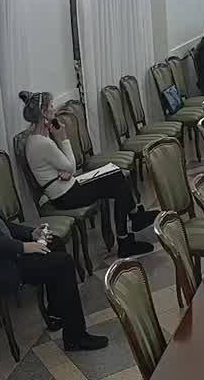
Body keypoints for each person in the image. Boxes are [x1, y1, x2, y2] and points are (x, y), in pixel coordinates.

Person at [0, 147, 109, 352]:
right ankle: (75, 337)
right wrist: (24, 247)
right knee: (63, 264)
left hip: (4, 253)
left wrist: (31, 234)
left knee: (54, 242)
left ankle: (56, 313)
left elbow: (0, 225)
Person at [20, 91, 154, 258]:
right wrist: (63, 139)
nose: (54, 109)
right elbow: (71, 165)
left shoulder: (36, 139)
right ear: (43, 113)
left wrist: (66, 171)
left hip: (66, 188)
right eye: (51, 106)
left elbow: (61, 167)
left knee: (116, 175)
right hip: (67, 196)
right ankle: (128, 233)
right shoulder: (42, 143)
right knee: (117, 179)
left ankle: (130, 226)